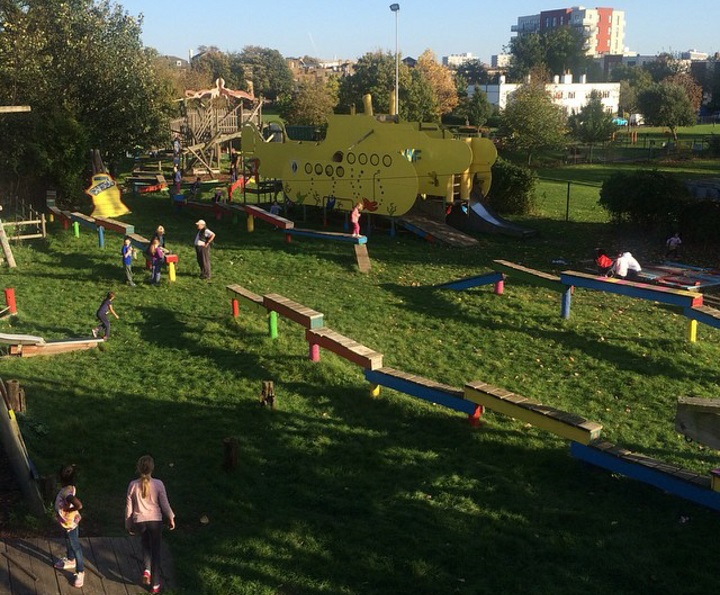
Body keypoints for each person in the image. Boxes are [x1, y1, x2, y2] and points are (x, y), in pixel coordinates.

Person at [125, 455, 175, 594]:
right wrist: (171, 517)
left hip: (140, 521)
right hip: (155, 521)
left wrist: (128, 524)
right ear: (152, 468)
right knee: (156, 551)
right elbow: (164, 504)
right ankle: (155, 584)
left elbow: (129, 507)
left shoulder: (133, 485)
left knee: (145, 544)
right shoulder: (158, 484)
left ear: (138, 468)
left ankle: (146, 570)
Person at [53, 464, 85, 588]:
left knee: (75, 546)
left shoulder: (66, 492)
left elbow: (78, 505)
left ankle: (80, 571)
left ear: (60, 478)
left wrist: (69, 510)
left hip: (70, 523)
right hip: (69, 522)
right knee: (69, 541)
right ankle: (71, 559)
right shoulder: (70, 488)